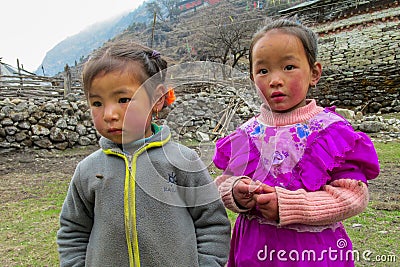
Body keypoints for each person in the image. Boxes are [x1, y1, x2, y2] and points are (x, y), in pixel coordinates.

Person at [213, 18, 380, 267]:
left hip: (312, 252)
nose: (275, 80)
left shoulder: (331, 132)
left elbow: (353, 195)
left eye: (289, 67)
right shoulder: (245, 134)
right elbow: (223, 184)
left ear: (314, 73)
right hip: (253, 249)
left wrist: (289, 206)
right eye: (263, 71)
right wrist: (236, 192)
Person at [57, 40, 231, 267]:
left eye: (123, 99)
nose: (109, 114)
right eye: (97, 102)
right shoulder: (88, 171)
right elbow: (73, 230)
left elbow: (212, 224)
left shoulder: (183, 162)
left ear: (157, 99)